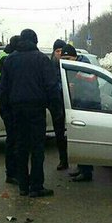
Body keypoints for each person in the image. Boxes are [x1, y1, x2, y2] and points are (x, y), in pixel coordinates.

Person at [0, 29, 61, 198]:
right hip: (36, 110)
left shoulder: (10, 60)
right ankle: (36, 186)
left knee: (21, 147)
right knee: (37, 148)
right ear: (35, 41)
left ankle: (23, 186)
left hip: (16, 111)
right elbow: (52, 86)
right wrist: (55, 108)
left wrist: (7, 108)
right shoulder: (41, 59)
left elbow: (2, 88)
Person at [60, 44, 95, 182]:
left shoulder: (83, 67)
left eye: (68, 58)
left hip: (86, 107)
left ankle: (87, 172)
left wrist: (75, 85)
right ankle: (82, 167)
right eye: (64, 58)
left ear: (75, 57)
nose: (66, 60)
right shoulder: (71, 67)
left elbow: (90, 87)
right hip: (77, 107)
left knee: (84, 140)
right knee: (79, 140)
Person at [0, 35, 20, 184]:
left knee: (13, 140)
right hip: (9, 105)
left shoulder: (5, 55)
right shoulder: (8, 59)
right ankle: (11, 173)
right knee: (13, 141)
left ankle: (12, 172)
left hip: (6, 103)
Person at [49, 39, 69, 170]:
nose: (59, 54)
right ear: (54, 52)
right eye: (57, 51)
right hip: (57, 104)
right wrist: (64, 87)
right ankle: (63, 159)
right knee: (59, 134)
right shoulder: (50, 66)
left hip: (72, 105)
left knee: (75, 133)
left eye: (61, 51)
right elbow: (50, 84)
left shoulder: (71, 63)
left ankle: (80, 162)